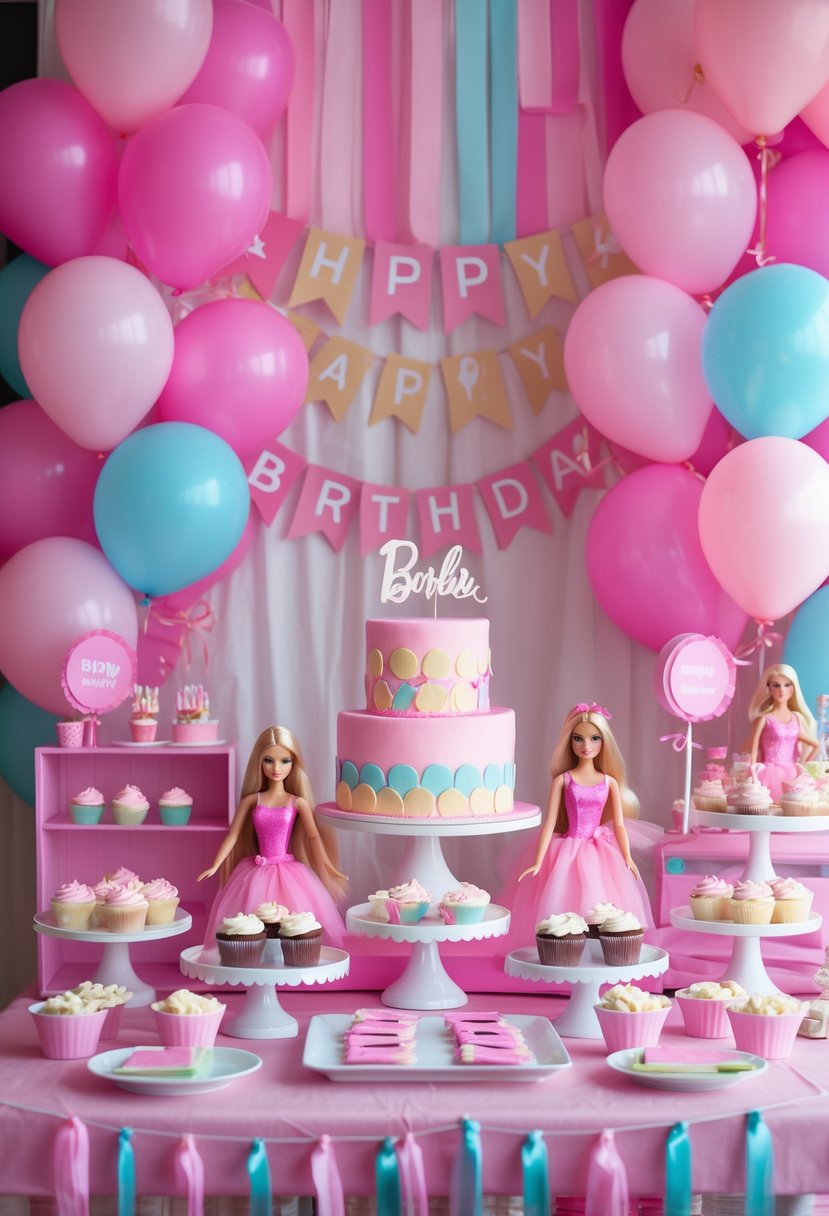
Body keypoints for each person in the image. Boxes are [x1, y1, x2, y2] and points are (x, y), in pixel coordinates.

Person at [501, 702, 653, 946]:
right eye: (578, 739)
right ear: (569, 741)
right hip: (568, 848)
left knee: (600, 907)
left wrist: (627, 858)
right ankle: (568, 949)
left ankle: (595, 949)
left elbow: (619, 825)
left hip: (600, 850)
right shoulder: (564, 780)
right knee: (564, 900)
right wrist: (538, 861)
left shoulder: (609, 782)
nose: (586, 745)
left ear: (604, 742)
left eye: (594, 738)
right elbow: (550, 822)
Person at [198, 725, 347, 959]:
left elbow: (314, 836)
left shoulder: (297, 802)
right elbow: (233, 835)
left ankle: (287, 959)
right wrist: (215, 865)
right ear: (259, 762)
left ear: (294, 763)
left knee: (292, 925)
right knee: (254, 925)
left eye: (285, 761)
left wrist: (328, 866)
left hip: (288, 872)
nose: (277, 768)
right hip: (256, 870)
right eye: (269, 760)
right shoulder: (252, 800)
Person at [747, 664, 818, 801]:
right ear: (768, 688)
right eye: (776, 685)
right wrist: (753, 772)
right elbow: (753, 750)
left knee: (794, 804)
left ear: (793, 688)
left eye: (786, 685)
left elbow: (815, 744)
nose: (781, 690)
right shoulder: (764, 719)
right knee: (770, 804)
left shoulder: (796, 719)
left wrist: (803, 766)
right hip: (769, 773)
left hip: (791, 773)